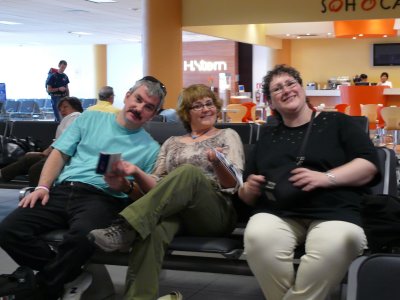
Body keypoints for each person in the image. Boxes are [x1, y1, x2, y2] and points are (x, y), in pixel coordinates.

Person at [0, 76, 167, 300]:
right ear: (127, 96)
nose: (139, 108)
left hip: (103, 198)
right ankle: (72, 275)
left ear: (153, 114)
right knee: (8, 229)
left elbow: (142, 197)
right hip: (62, 190)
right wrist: (42, 187)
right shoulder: (90, 118)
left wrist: (125, 186)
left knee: (82, 238)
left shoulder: (151, 149)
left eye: (148, 107)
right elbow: (59, 154)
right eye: (138, 99)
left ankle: (42, 288)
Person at [88, 83, 245, 300]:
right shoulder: (171, 142)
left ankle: (127, 227)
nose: (206, 109)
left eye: (209, 104)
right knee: (152, 227)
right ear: (186, 113)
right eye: (197, 106)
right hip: (176, 211)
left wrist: (217, 163)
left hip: (214, 212)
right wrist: (135, 171)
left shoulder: (227, 135)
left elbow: (233, 186)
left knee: (188, 173)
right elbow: (157, 183)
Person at [239, 64, 380, 300]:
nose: (286, 90)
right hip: (280, 213)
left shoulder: (338, 122)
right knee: (258, 237)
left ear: (303, 90)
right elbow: (246, 192)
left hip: (336, 211)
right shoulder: (268, 136)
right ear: (271, 102)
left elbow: (368, 166)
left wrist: (326, 178)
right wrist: (249, 188)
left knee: (337, 242)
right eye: (277, 89)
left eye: (291, 83)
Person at [0, 96, 83, 186]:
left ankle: (39, 195)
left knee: (36, 169)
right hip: (58, 153)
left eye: (65, 107)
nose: (62, 110)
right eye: (60, 108)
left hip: (66, 156)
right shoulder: (68, 119)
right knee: (29, 159)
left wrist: (45, 153)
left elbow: (65, 142)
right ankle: (2, 174)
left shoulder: (75, 116)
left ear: (76, 107)